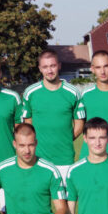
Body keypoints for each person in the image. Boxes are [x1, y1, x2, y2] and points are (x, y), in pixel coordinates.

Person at [22, 49, 85, 180]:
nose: (49, 70)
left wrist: (65, 138)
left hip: (65, 159)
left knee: (65, 194)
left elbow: (79, 123)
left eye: (52, 66)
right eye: (45, 67)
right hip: (37, 159)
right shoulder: (30, 93)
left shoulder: (73, 92)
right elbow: (28, 124)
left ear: (59, 66)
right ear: (40, 68)